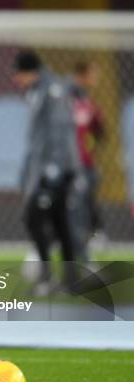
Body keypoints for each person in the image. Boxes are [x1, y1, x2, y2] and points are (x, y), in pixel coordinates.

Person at [11, 50, 82, 292]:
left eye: (18, 73)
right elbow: (37, 138)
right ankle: (67, 278)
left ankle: (50, 276)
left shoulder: (53, 90)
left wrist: (54, 170)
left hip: (56, 169)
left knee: (39, 218)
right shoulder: (38, 90)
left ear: (30, 71)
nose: (16, 79)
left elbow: (60, 132)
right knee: (57, 221)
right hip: (43, 169)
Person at [71, 61, 106, 256]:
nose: (96, 79)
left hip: (85, 162)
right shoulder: (67, 102)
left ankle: (96, 234)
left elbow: (100, 132)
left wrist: (89, 146)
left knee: (87, 198)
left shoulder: (89, 104)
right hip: (68, 163)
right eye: (93, 74)